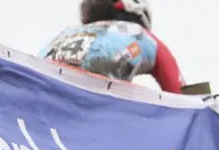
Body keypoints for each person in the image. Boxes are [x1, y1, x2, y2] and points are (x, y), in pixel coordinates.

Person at [39, 0, 185, 93]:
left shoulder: (65, 33)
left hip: (45, 86)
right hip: (99, 101)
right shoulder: (142, 35)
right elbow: (183, 96)